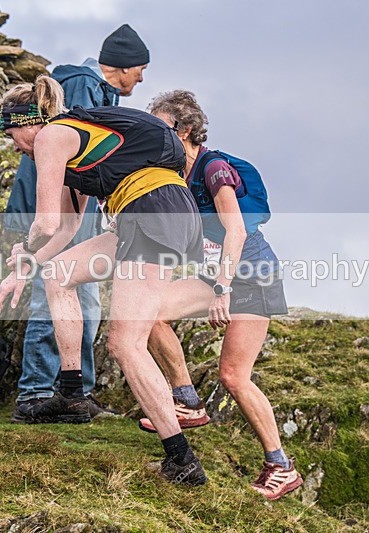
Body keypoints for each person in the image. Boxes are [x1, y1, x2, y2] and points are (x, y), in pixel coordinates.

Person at [0, 76, 208, 486]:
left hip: (153, 211)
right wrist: (26, 267)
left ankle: (181, 460)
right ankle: (73, 394)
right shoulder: (72, 141)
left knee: (124, 343)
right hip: (146, 213)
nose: (14, 145)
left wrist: (22, 248)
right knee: (59, 275)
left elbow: (44, 222)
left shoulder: (53, 136)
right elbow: (65, 231)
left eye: (11, 134)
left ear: (25, 122)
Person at [142, 90, 302, 500]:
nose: (157, 136)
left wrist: (222, 290)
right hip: (219, 274)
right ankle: (187, 400)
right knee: (149, 313)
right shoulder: (175, 172)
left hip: (253, 276)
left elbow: (237, 230)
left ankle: (281, 466)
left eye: (165, 129)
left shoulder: (214, 169)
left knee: (234, 376)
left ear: (188, 130)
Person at [4, 24, 150, 423]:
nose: (142, 77)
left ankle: (75, 392)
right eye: (141, 69)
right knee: (54, 288)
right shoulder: (84, 86)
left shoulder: (92, 89)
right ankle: (36, 393)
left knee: (77, 294)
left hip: (68, 208)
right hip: (58, 208)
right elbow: (65, 160)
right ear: (124, 66)